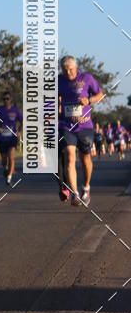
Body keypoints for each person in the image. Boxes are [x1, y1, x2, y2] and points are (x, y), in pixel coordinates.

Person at [57, 55, 104, 206]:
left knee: (85, 159)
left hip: (85, 126)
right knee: (70, 157)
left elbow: (100, 95)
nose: (68, 73)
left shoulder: (87, 78)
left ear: (76, 68)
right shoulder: (58, 81)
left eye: (70, 69)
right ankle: (75, 193)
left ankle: (86, 187)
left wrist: (89, 100)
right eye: (65, 70)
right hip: (66, 125)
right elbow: (50, 98)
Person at [0, 93, 23, 185]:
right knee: (4, 159)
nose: (6, 101)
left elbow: (22, 121)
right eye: (4, 99)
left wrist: (19, 131)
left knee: (11, 157)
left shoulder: (15, 110)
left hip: (12, 137)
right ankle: (5, 168)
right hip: (1, 138)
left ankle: (9, 177)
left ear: (10, 100)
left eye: (7, 99)